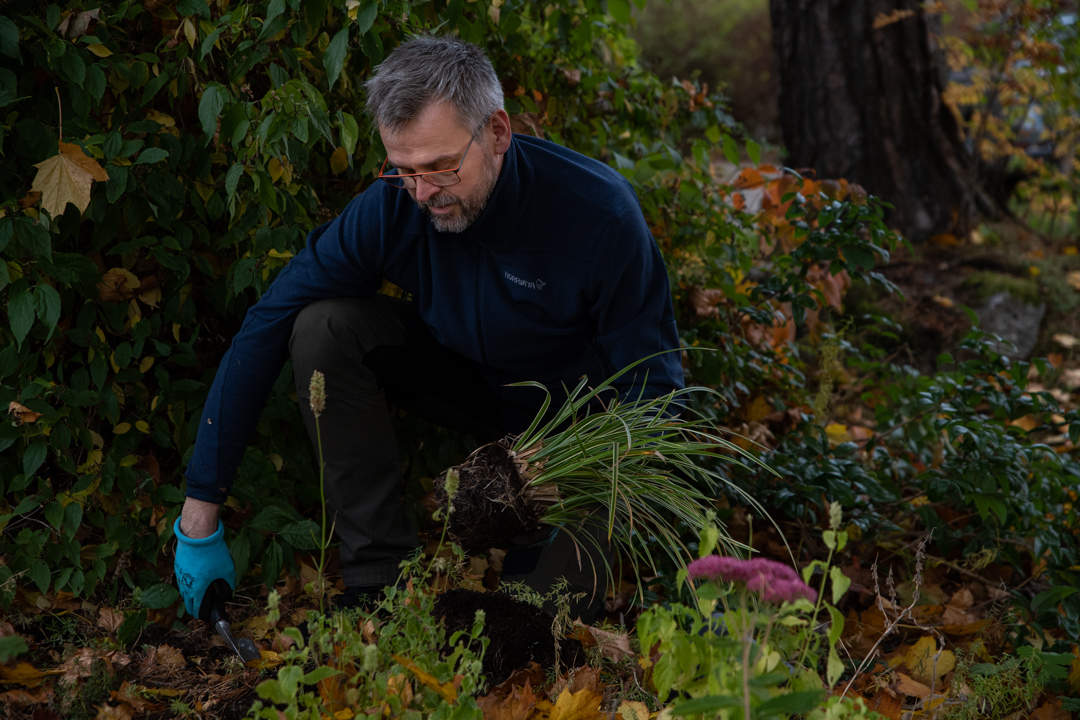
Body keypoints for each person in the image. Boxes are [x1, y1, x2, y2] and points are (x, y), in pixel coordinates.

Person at [172, 36, 684, 625]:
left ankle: (539, 561)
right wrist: (199, 512)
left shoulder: (599, 216)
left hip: (574, 428)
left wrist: (571, 471)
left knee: (527, 628)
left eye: (440, 167)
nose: (421, 192)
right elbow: (270, 320)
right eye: (403, 169)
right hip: (464, 384)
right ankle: (377, 579)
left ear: (497, 133)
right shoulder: (396, 204)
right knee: (323, 326)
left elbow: (656, 396)